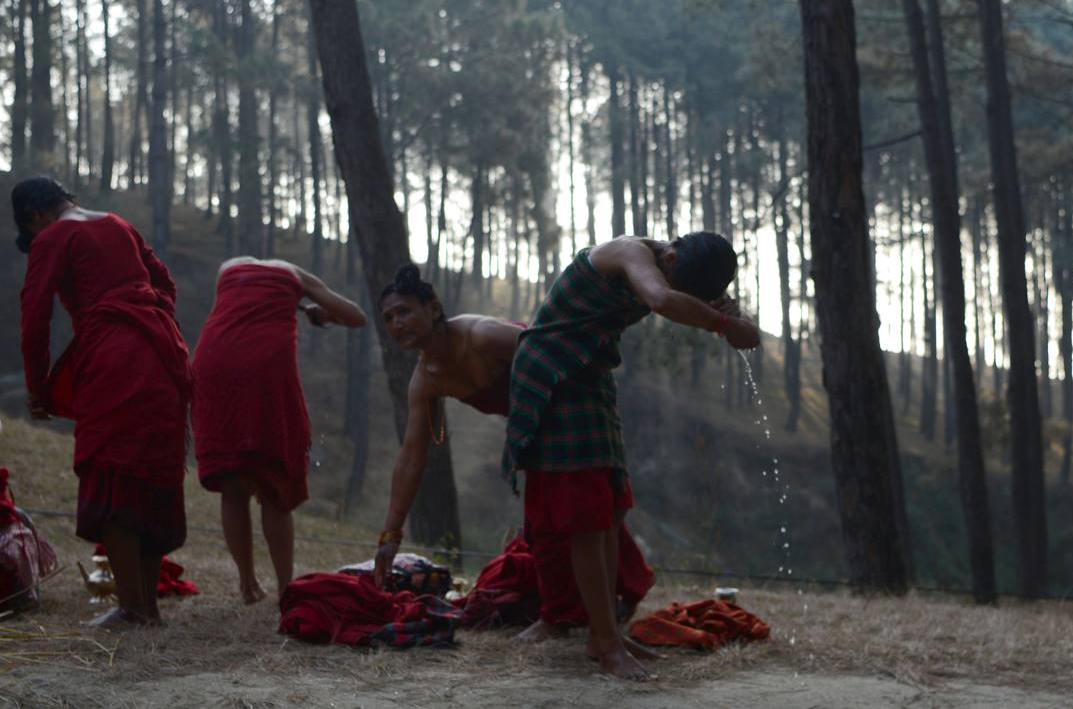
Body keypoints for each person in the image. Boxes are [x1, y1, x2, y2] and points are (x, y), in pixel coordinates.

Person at [504, 233, 761, 681]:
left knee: (607, 507)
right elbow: (661, 298)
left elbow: (748, 336)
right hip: (552, 375)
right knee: (585, 514)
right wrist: (720, 324)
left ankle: (604, 635)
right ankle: (605, 644)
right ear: (672, 256)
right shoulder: (630, 252)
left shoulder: (679, 267)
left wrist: (736, 319)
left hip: (589, 375)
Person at [371, 264, 655, 637]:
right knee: (547, 526)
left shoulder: (480, 334)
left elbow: (550, 352)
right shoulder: (425, 381)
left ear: (434, 308)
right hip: (534, 431)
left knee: (587, 512)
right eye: (389, 318)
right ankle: (560, 616)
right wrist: (390, 535)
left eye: (404, 311)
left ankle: (606, 609)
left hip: (571, 404)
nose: (396, 324)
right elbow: (411, 456)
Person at [14, 178, 192, 626]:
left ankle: (133, 609)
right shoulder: (119, 224)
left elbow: (35, 315)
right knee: (151, 474)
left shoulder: (54, 236)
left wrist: (39, 389)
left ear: (36, 217)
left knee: (109, 473)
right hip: (162, 353)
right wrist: (146, 318)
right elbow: (164, 284)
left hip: (113, 359)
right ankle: (145, 606)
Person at [192, 257, 367, 604]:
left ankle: (247, 584)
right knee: (274, 482)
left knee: (233, 484)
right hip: (264, 367)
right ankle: (286, 588)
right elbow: (356, 317)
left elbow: (243, 310)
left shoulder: (227, 267)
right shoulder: (296, 273)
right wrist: (320, 310)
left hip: (213, 362)